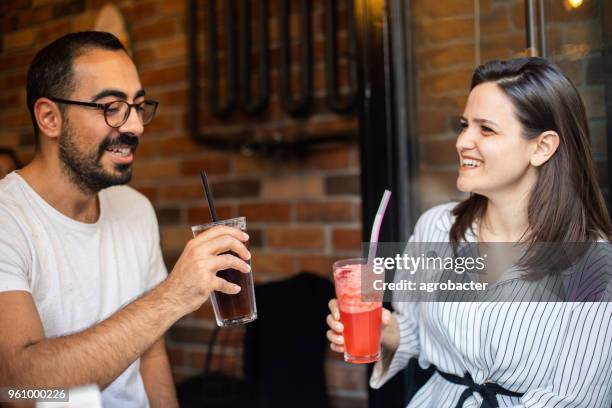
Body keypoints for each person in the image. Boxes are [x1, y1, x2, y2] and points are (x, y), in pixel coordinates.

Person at [327, 58, 612, 407]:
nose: (463, 141)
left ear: (542, 147)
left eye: (486, 129)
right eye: (465, 125)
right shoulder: (436, 227)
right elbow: (415, 330)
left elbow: (575, 398)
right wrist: (387, 332)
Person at [0, 31, 251, 407]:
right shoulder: (9, 218)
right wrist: (172, 295)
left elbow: (151, 356)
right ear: (50, 118)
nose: (135, 126)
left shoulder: (135, 208)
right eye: (112, 107)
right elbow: (19, 388)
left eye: (137, 105)